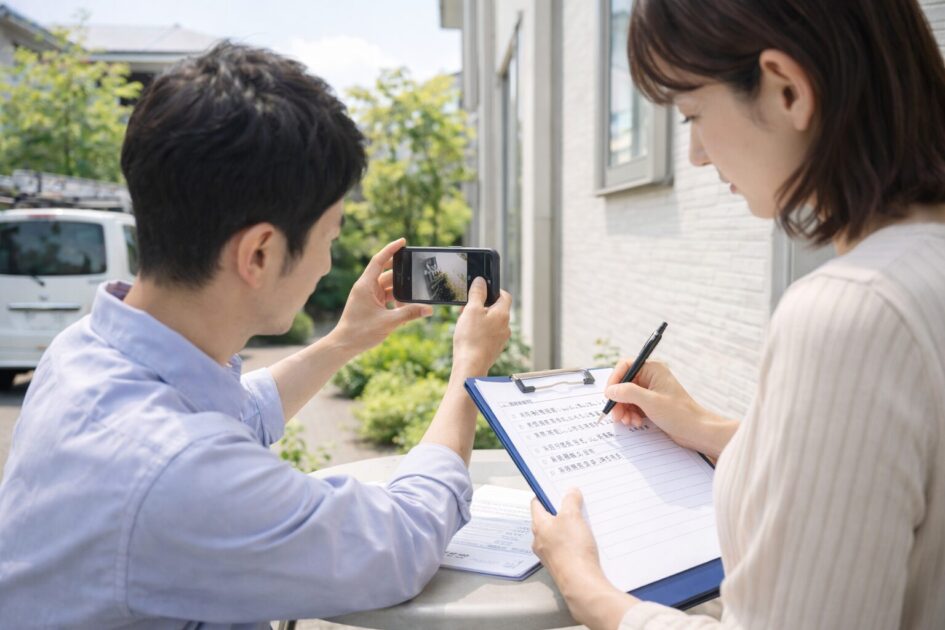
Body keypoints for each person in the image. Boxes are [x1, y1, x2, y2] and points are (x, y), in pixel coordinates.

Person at [0, 42, 511, 627]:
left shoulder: (83, 351)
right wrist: (470, 370)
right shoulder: (179, 474)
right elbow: (403, 541)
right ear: (261, 252)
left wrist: (344, 340)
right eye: (329, 239)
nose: (326, 265)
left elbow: (233, 412)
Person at [530, 1, 945, 628]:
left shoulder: (852, 310)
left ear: (785, 89)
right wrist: (706, 427)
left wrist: (592, 594)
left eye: (694, 114)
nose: (695, 154)